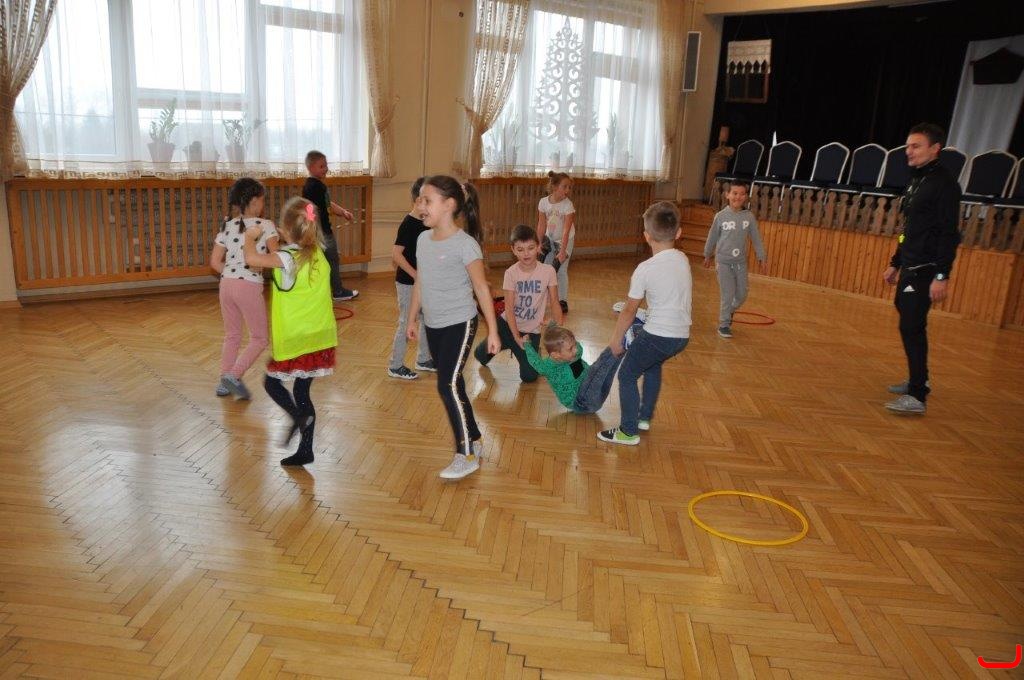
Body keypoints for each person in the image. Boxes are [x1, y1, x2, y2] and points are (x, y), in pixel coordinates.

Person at [406, 176, 500, 480]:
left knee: (446, 384)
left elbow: (482, 289)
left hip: (460, 322)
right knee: (454, 383)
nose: (420, 205)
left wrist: (494, 331)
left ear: (449, 205)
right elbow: (420, 281)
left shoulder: (465, 245)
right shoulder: (423, 240)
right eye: (419, 199)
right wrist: (412, 317)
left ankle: (466, 454)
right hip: (433, 323)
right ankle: (474, 437)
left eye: (427, 200)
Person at [243, 197, 337, 466]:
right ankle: (306, 449)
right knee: (302, 393)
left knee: (272, 383)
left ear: (284, 230)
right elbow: (290, 252)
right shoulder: (318, 251)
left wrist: (250, 237)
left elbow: (251, 258)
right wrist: (278, 239)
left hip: (296, 339)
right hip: (320, 337)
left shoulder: (286, 258)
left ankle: (297, 417)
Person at [882, 123, 961, 415]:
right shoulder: (917, 179)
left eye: (916, 146)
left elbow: (948, 234)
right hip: (910, 264)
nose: (909, 151)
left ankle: (917, 396)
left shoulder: (945, 184)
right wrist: (896, 262)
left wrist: (942, 275)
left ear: (935, 148)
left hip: (926, 268)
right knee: (908, 318)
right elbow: (909, 228)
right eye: (908, 146)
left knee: (911, 326)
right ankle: (920, 379)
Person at [599, 201, 691, 445]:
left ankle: (628, 431)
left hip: (659, 335)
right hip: (681, 336)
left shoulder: (645, 269)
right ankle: (644, 418)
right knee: (652, 364)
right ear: (678, 233)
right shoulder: (682, 259)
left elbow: (629, 309)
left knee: (627, 375)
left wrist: (616, 339)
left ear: (646, 236)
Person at [209, 178, 278, 400]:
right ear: (255, 201)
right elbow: (276, 258)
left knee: (232, 335)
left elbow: (214, 262)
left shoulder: (227, 225)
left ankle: (224, 381)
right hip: (248, 286)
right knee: (260, 338)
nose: (263, 204)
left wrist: (232, 273)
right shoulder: (266, 225)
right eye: (263, 200)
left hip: (226, 285)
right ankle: (233, 376)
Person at [474, 224, 562, 382]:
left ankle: (528, 349)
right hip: (506, 326)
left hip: (530, 333)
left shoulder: (548, 271)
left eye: (530, 248)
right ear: (513, 250)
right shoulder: (510, 273)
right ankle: (500, 343)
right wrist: (515, 337)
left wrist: (559, 326)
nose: (526, 253)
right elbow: (508, 309)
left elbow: (555, 301)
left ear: (538, 247)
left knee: (529, 376)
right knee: (480, 356)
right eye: (520, 249)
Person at [524, 324, 636, 415]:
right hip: (581, 402)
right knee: (599, 368)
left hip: (597, 395)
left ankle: (627, 341)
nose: (576, 350)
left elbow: (578, 348)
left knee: (609, 369)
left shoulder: (574, 354)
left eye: (574, 345)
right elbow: (536, 362)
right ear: (556, 355)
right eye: (570, 348)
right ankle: (624, 338)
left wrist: (552, 326)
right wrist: (527, 345)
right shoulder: (548, 367)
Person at [703, 182, 767, 339]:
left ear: (745, 197)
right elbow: (712, 237)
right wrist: (707, 254)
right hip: (723, 262)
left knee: (742, 293)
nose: (738, 197)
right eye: (734, 193)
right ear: (727, 195)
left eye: (741, 194)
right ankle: (724, 324)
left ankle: (730, 310)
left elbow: (756, 238)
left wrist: (762, 257)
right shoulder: (720, 216)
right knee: (728, 294)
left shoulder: (748, 217)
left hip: (740, 263)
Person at [388, 177, 435, 379]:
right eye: (429, 200)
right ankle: (395, 365)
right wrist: (416, 275)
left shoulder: (428, 223)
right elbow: (396, 254)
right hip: (408, 284)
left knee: (426, 319)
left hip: (425, 283)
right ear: (418, 200)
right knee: (407, 321)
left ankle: (423, 359)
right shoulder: (408, 224)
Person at [302, 150, 358, 301]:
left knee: (326, 260)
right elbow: (309, 209)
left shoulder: (317, 186)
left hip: (320, 231)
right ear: (311, 168)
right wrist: (314, 230)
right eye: (321, 166)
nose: (325, 169)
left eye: (326, 165)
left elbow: (328, 204)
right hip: (322, 232)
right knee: (332, 260)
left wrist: (343, 212)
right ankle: (337, 291)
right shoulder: (313, 187)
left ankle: (324, 291)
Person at [536, 171, 575, 314]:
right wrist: (539, 244)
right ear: (554, 186)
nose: (567, 190)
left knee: (561, 270)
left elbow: (566, 230)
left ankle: (562, 300)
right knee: (546, 268)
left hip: (565, 240)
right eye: (564, 187)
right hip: (549, 238)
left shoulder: (568, 205)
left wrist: (563, 251)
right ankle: (543, 298)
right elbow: (541, 225)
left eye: (569, 187)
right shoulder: (543, 202)